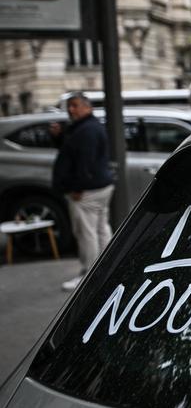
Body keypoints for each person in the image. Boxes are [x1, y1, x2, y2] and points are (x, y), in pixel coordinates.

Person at [51, 92, 115, 291]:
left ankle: (89, 275)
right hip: (99, 186)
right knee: (100, 229)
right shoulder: (86, 127)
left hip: (87, 190)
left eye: (75, 105)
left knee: (86, 232)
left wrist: (77, 187)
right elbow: (75, 153)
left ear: (87, 107)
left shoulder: (86, 130)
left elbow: (84, 162)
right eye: (69, 106)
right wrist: (59, 137)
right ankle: (107, 268)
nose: (71, 109)